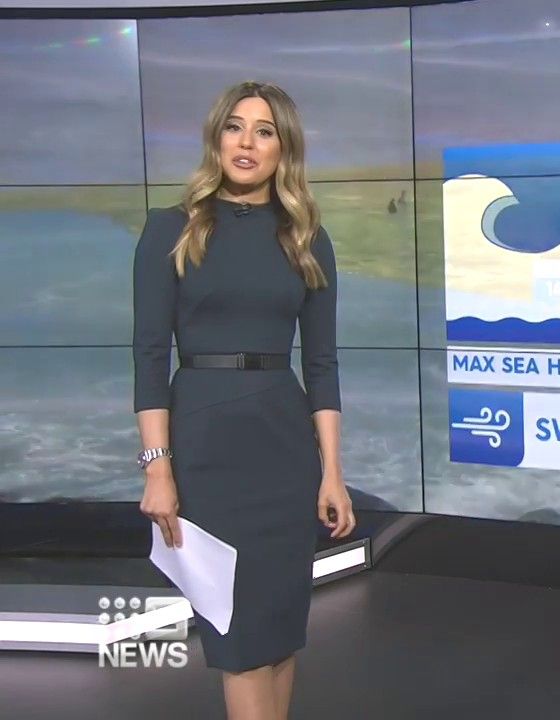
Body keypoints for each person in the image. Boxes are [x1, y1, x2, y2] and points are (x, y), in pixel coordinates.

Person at [132, 80, 356, 720]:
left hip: (282, 445)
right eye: (235, 127)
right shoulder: (171, 229)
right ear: (216, 138)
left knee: (279, 632)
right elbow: (150, 357)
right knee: (238, 637)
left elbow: (322, 365)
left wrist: (332, 472)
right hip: (207, 447)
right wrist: (157, 468)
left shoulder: (305, 237)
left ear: (284, 148)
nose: (247, 143)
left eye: (264, 131)